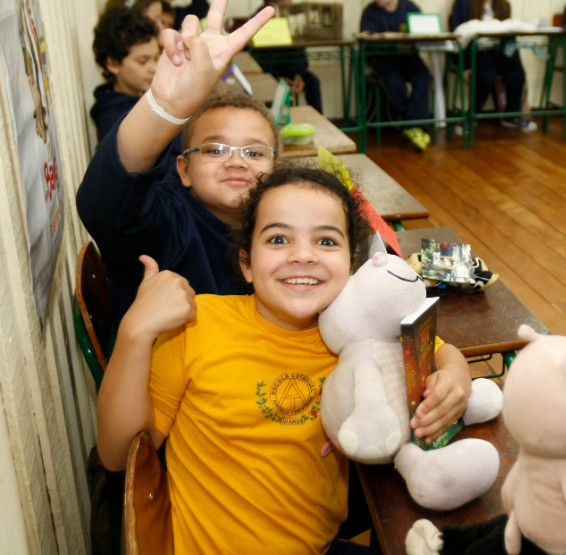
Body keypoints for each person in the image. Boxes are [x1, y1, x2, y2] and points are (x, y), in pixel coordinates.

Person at [96, 164, 474, 552]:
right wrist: (134, 332)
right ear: (246, 263)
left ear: (353, 264)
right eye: (278, 239)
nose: (303, 256)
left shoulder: (362, 332)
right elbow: (118, 454)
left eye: (326, 242)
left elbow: (439, 352)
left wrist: (456, 380)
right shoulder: (198, 325)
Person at [77, 1, 278, 329]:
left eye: (255, 153)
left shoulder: (278, 224)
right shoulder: (165, 224)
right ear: (183, 169)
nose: (237, 161)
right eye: (215, 150)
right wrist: (166, 106)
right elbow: (104, 204)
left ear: (276, 168)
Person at [449, 0, 538, 132]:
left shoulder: (504, 4)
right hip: (477, 50)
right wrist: (464, 66)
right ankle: (472, 117)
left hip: (500, 48)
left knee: (517, 74)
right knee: (486, 75)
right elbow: (457, 36)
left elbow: (509, 32)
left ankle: (511, 115)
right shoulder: (463, 3)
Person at [360, 0, 432, 152]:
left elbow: (421, 33)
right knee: (393, 79)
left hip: (407, 56)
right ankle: (414, 124)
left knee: (423, 75)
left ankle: (414, 126)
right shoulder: (370, 11)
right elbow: (367, 40)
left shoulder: (411, 8)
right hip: (382, 58)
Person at [90, 7, 160, 142]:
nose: (154, 69)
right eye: (143, 61)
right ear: (113, 64)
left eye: (156, 58)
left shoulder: (137, 99)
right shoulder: (115, 119)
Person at [249, 0, 323, 113]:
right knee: (266, 86)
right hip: (268, 72)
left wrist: (299, 74)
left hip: (292, 70)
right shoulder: (257, 19)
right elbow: (256, 58)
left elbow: (300, 49)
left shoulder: (293, 18)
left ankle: (318, 119)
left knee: (313, 81)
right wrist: (276, 77)